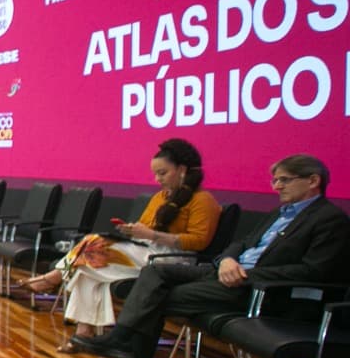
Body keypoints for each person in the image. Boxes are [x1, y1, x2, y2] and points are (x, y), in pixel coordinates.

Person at [78, 154, 350, 358]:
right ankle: (123, 343)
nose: (277, 186)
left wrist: (247, 272)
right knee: (154, 272)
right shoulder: (279, 213)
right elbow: (242, 243)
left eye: (284, 180)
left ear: (313, 181)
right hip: (224, 271)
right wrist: (228, 260)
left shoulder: (329, 219)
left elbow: (314, 271)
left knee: (155, 296)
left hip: (257, 289)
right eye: (275, 180)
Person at [19, 139, 221, 346]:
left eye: (162, 173)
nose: (157, 179)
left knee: (90, 246)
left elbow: (199, 242)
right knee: (86, 267)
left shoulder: (203, 201)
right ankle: (83, 334)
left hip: (171, 262)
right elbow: (146, 228)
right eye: (156, 174)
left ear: (182, 170)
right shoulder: (160, 197)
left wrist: (152, 235)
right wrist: (133, 230)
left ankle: (54, 277)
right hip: (145, 251)